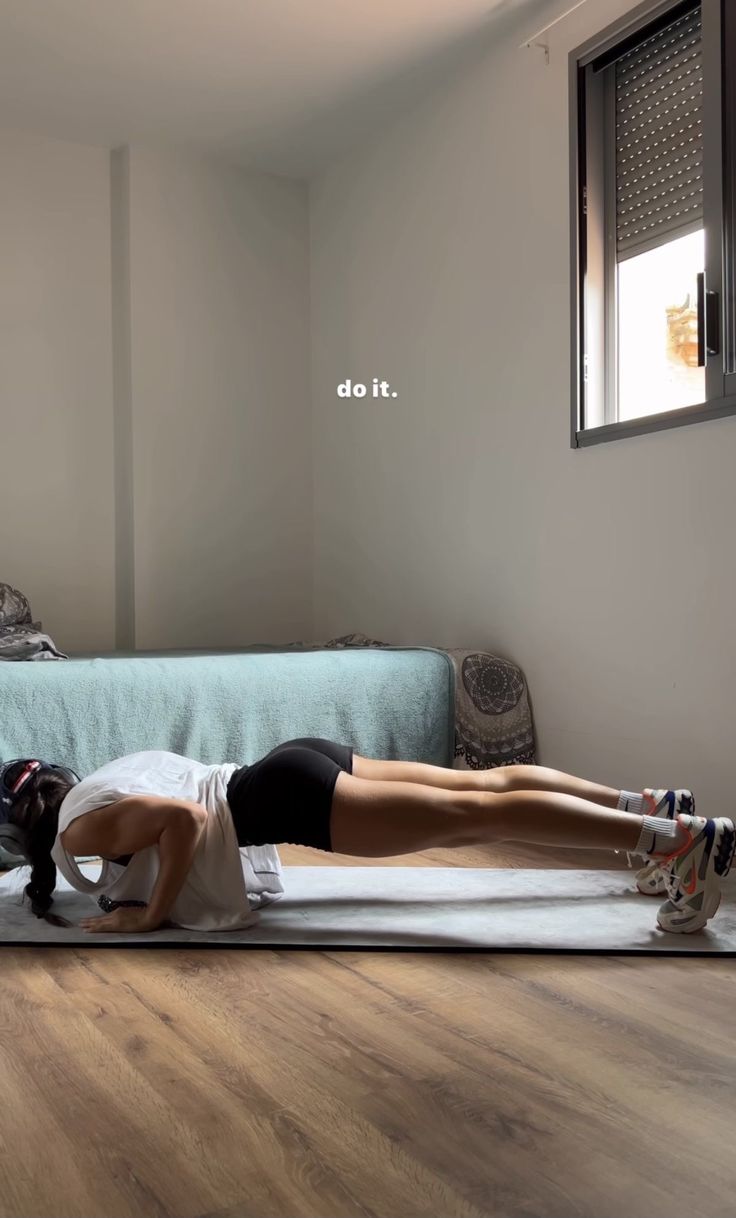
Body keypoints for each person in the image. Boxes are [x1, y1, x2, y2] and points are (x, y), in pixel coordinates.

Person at [1, 739, 733, 936]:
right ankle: (649, 804)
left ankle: (677, 840)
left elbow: (185, 822)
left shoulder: (83, 826)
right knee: (489, 786)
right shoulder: (104, 780)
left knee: (488, 815)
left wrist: (151, 915)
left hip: (282, 795)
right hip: (289, 761)